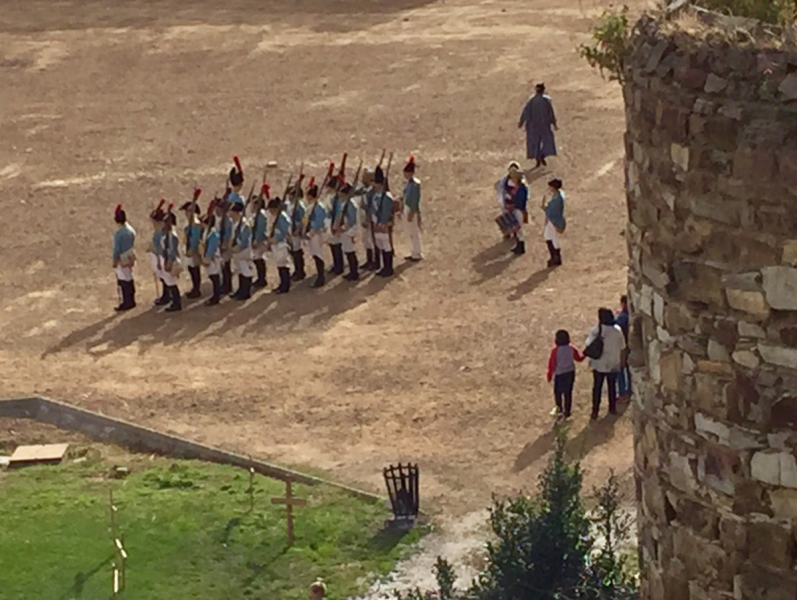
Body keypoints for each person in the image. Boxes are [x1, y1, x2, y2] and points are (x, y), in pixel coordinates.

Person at [584, 308, 626, 419]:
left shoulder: (597, 330)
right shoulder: (617, 330)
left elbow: (588, 343)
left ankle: (595, 411)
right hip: (612, 363)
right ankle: (612, 408)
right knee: (612, 387)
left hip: (599, 363)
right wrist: (622, 361)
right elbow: (622, 347)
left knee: (597, 387)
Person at [546, 330, 584, 419]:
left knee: (558, 393)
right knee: (568, 393)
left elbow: (552, 364)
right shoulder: (571, 348)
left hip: (560, 374)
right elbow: (578, 358)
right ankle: (567, 412)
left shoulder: (555, 351)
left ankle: (559, 409)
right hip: (570, 373)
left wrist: (549, 375)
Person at [518, 82, 558, 168]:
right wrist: (554, 123)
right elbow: (551, 113)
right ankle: (543, 155)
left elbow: (526, 111)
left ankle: (537, 157)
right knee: (546, 141)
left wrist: (521, 122)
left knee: (534, 142)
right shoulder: (546, 100)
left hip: (533, 125)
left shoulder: (531, 100)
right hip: (544, 124)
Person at [111, 204, 137, 311]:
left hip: (122, 257)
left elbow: (117, 249)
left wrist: (114, 260)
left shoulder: (119, 233)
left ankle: (127, 302)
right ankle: (131, 300)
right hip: (130, 254)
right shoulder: (130, 229)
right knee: (129, 277)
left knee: (123, 279)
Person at [355, 169, 380, 271]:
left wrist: (367, 219)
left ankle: (376, 261)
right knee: (366, 240)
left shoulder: (371, 191)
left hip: (369, 218)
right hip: (363, 216)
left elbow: (370, 207)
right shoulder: (364, 189)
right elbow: (355, 193)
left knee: (372, 240)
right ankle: (369, 260)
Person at [304, 179, 328, 288]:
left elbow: (318, 222)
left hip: (315, 234)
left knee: (318, 254)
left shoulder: (319, 207)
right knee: (314, 253)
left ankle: (321, 277)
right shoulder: (310, 206)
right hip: (310, 233)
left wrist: (311, 232)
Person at [372, 166, 394, 277]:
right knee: (380, 245)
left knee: (386, 246)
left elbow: (386, 211)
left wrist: (382, 222)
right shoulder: (376, 196)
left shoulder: (387, 197)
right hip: (376, 223)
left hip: (383, 224)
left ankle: (388, 267)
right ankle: (383, 266)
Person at [267, 197, 292, 294]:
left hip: (282, 244)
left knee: (283, 265)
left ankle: (285, 286)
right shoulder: (279, 217)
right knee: (280, 265)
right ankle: (282, 284)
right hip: (277, 244)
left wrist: (275, 239)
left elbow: (284, 232)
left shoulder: (282, 217)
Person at [180, 193, 203, 299]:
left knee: (194, 269)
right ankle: (195, 287)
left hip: (193, 250)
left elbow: (195, 238)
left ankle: (197, 289)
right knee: (191, 268)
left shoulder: (196, 224)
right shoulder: (188, 223)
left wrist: (192, 249)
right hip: (187, 247)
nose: (186, 213)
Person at [160, 205, 182, 312]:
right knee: (169, 281)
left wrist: (169, 262)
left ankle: (176, 303)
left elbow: (172, 250)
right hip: (167, 259)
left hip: (171, 261)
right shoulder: (168, 234)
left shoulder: (172, 235)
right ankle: (174, 301)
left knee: (172, 282)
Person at [229, 203, 253, 300]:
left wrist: (237, 249)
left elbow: (245, 241)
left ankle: (245, 292)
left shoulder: (244, 225)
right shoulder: (235, 223)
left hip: (243, 251)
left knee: (245, 270)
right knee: (240, 270)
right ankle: (241, 290)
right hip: (237, 251)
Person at [201, 201, 223, 306]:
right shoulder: (208, 231)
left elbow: (212, 247)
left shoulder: (213, 234)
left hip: (213, 258)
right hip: (209, 257)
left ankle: (216, 297)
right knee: (212, 276)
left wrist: (208, 258)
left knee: (215, 277)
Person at [148, 200, 169, 306]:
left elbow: (159, 248)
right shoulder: (160, 230)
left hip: (160, 257)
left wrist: (159, 262)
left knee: (164, 277)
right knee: (163, 277)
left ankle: (166, 296)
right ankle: (166, 295)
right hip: (159, 255)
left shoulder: (159, 232)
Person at [337, 182, 360, 281]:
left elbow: (351, 220)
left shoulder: (351, 205)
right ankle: (352, 271)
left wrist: (342, 228)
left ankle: (354, 272)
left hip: (350, 230)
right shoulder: (345, 203)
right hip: (346, 229)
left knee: (350, 251)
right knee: (347, 250)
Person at [402, 155, 422, 261]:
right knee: (410, 232)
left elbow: (414, 200)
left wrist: (412, 212)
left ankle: (417, 252)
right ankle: (413, 251)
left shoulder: (414, 185)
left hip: (411, 209)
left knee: (413, 232)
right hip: (406, 207)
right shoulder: (408, 184)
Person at [541, 178, 565, 267]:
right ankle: (556, 257)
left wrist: (544, 208)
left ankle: (555, 258)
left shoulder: (556, 200)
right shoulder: (559, 196)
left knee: (549, 237)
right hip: (555, 220)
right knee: (552, 238)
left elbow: (550, 211)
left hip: (553, 221)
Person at [326, 178, 345, 275]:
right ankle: (335, 264)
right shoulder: (331, 197)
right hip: (329, 221)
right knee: (332, 245)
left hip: (335, 223)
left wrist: (336, 225)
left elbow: (338, 213)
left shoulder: (338, 200)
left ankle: (339, 266)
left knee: (337, 245)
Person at [288, 181, 307, 281]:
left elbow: (304, 219)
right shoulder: (291, 205)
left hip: (296, 231)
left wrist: (299, 229)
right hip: (291, 230)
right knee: (293, 251)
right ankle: (297, 270)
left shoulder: (300, 206)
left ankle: (300, 271)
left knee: (297, 251)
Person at [614, 295, 631, 402]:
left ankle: (622, 393)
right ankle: (629, 391)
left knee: (620, 370)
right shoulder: (630, 314)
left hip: (622, 347)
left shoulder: (622, 318)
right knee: (629, 370)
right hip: (631, 344)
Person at [251, 189, 269, 289]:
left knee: (259, 259)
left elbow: (260, 229)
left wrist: (256, 240)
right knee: (257, 259)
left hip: (260, 240)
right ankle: (260, 278)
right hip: (257, 239)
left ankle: (262, 279)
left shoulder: (261, 215)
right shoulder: (257, 214)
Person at [216, 200, 234, 295]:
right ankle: (225, 284)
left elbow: (227, 234)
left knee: (226, 266)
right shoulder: (220, 219)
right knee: (223, 267)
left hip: (225, 246)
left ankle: (228, 286)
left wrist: (224, 245)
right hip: (221, 244)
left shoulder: (227, 221)